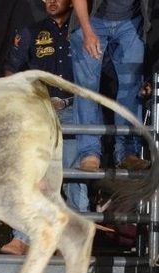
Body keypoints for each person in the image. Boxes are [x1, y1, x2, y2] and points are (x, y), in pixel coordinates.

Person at [1, 0, 89, 256]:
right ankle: (22, 237)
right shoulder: (31, 31)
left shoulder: (84, 32)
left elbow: (103, 71)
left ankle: (73, 241)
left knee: (75, 175)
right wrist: (20, 99)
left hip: (76, 108)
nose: (50, 1)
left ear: (73, 3)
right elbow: (10, 69)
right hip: (41, 109)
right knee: (34, 172)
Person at [70, 0, 151, 171]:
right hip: (93, 19)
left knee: (131, 87)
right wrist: (86, 30)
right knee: (87, 88)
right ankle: (89, 153)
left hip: (130, 21)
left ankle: (127, 153)